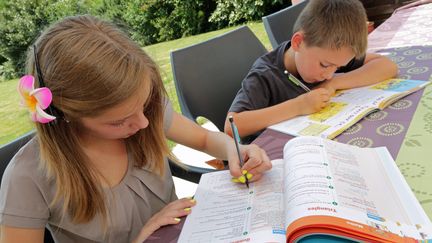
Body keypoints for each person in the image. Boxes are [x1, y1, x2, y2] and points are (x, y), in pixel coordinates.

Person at [0, 15, 271, 243]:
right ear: (67, 114)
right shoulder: (27, 178)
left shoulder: (141, 108)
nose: (143, 123)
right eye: (118, 121)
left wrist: (236, 150)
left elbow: (201, 137)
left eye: (145, 104)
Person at [224, 0, 398, 143]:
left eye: (337, 68)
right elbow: (232, 126)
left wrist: (335, 83)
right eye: (324, 65)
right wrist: (298, 106)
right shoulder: (265, 74)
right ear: (298, 43)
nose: (329, 73)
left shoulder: (330, 53)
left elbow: (387, 66)